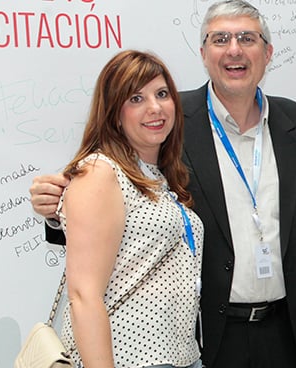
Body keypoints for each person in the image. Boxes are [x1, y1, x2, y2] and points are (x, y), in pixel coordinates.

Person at [29, 1, 296, 367]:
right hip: (209, 337)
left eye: (247, 38)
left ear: (267, 53)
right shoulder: (168, 123)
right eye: (220, 39)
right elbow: (113, 210)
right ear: (203, 53)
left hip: (287, 334)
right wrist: (55, 209)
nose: (234, 49)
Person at [56, 50, 203, 368]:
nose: (155, 107)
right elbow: (83, 295)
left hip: (181, 356)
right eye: (136, 98)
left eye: (162, 94)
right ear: (113, 112)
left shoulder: (160, 177)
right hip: (127, 359)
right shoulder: (100, 171)